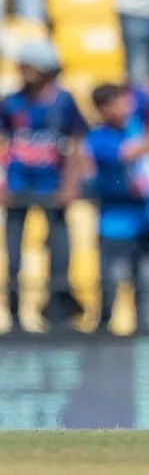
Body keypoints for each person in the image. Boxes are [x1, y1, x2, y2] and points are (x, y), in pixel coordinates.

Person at [0, 40, 88, 331]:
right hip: (17, 188)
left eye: (30, 66)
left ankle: (57, 314)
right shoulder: (10, 103)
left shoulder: (64, 102)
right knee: (13, 257)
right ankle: (14, 317)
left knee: (60, 255)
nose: (23, 71)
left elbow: (75, 144)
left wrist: (71, 184)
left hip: (53, 188)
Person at [87, 83, 149, 333]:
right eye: (119, 103)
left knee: (147, 290)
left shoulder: (132, 126)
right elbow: (146, 147)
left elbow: (146, 92)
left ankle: (146, 337)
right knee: (109, 293)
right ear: (103, 108)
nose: (126, 107)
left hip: (142, 227)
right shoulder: (99, 139)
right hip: (113, 231)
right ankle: (103, 342)